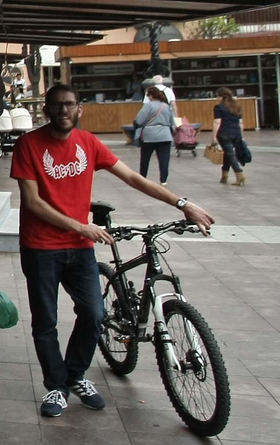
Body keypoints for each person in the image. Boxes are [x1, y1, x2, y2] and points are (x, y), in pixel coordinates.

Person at [12, 83, 214, 418]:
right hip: (41, 247)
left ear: (80, 109)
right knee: (45, 321)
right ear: (46, 109)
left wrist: (183, 203)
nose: (64, 110)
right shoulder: (29, 144)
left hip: (79, 249)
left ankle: (75, 374)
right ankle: (57, 386)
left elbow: (134, 178)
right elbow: (32, 202)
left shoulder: (88, 143)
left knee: (93, 314)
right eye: (57, 104)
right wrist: (81, 226)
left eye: (70, 104)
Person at [133, 84, 176, 185]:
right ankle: (163, 180)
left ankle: (142, 178)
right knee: (164, 159)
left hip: (149, 136)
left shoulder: (148, 106)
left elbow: (139, 120)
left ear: (151, 96)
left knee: (145, 158)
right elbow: (171, 122)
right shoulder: (166, 106)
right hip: (165, 136)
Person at [211, 87, 251, 186]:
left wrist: (214, 137)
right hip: (236, 133)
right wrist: (241, 135)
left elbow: (217, 122)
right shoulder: (236, 106)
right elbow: (240, 122)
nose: (217, 98)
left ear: (222, 97)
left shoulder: (219, 107)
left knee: (230, 154)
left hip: (224, 133)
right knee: (228, 153)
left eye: (218, 96)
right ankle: (224, 175)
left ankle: (239, 174)